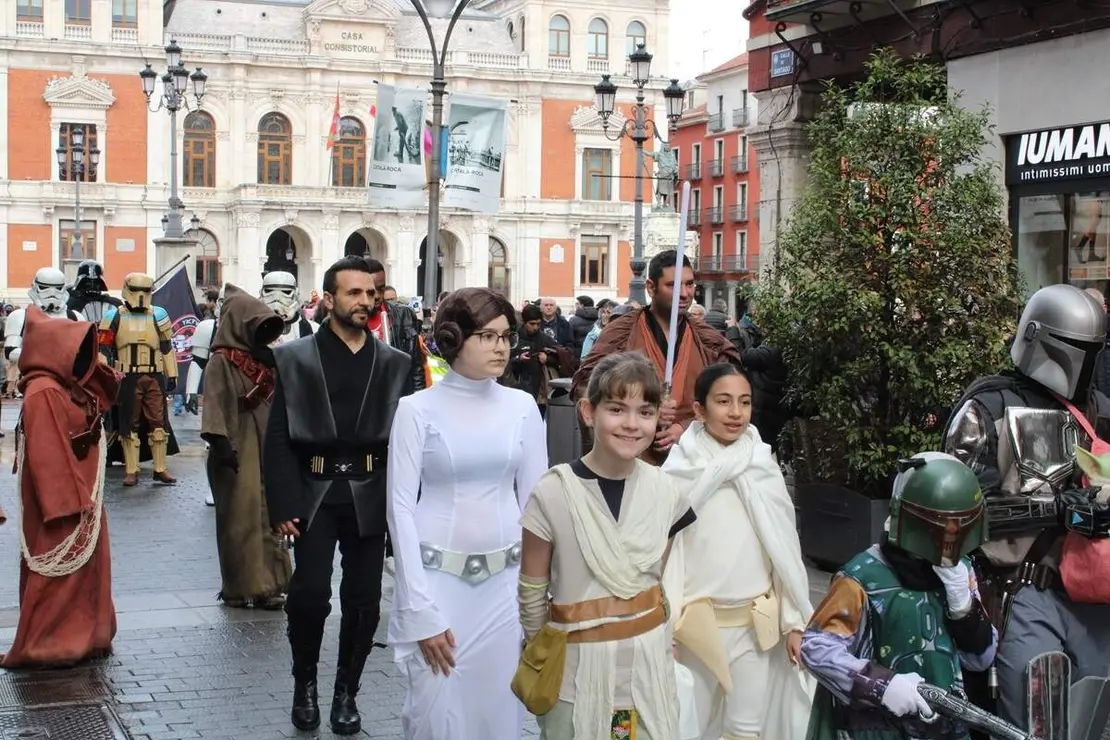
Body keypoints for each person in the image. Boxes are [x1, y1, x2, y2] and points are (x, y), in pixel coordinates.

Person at [943, 283, 1110, 727]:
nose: (1084, 361)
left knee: (1094, 720)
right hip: (1020, 592)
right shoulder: (987, 408)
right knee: (1036, 721)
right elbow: (958, 516)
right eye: (1075, 348)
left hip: (1093, 593)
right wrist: (1056, 510)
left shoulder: (1097, 411)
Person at [386, 287, 548, 740]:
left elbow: (538, 505)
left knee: (500, 713)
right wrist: (419, 609)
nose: (501, 347)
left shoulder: (521, 408)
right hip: (438, 586)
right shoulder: (416, 410)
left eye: (506, 336)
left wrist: (540, 599)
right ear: (455, 339)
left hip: (505, 590)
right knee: (434, 715)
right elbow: (399, 509)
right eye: (488, 336)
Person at [263, 256, 411, 735]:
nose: (365, 302)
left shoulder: (394, 363)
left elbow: (403, 444)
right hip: (313, 493)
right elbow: (279, 436)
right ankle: (304, 684)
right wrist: (283, 504)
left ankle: (347, 691)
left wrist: (401, 509)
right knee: (309, 595)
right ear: (329, 299)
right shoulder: (294, 357)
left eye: (371, 294)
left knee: (365, 599)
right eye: (353, 293)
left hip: (371, 494)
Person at [518, 351, 696, 739]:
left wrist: (665, 641)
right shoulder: (552, 492)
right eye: (616, 409)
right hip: (574, 677)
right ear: (588, 412)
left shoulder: (667, 492)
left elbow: (656, 582)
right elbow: (532, 595)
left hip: (648, 674)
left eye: (645, 412)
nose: (631, 424)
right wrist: (544, 660)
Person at [662, 364, 815, 740]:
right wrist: (665, 627)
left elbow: (784, 550)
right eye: (723, 402)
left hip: (755, 625)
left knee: (747, 729)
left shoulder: (762, 465)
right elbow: (666, 553)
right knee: (689, 725)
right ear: (699, 410)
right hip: (693, 627)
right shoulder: (679, 470)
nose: (735, 413)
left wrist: (794, 622)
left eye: (744, 402)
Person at [801, 452, 997, 740]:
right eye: (943, 525)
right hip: (876, 728)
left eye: (960, 525)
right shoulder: (862, 576)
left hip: (944, 727)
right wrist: (881, 685)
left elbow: (982, 659)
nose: (951, 538)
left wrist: (965, 610)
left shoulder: (961, 572)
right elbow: (816, 648)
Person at [2, 307, 120, 668]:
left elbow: (99, 399)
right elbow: (46, 453)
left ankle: (89, 634)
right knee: (58, 567)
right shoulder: (44, 391)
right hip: (65, 501)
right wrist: (69, 502)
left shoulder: (64, 386)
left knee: (85, 566)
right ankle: (50, 643)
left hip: (82, 492)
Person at [573, 250, 742, 465]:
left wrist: (687, 427)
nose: (684, 293)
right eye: (672, 285)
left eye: (689, 284)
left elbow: (730, 398)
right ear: (651, 287)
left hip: (694, 463)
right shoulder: (621, 333)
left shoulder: (709, 341)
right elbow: (586, 389)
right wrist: (646, 412)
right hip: (631, 459)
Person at [201, 285, 291, 609]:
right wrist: (221, 444)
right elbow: (214, 404)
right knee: (240, 521)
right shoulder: (220, 362)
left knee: (269, 516)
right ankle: (241, 587)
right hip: (236, 450)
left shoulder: (267, 360)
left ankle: (273, 584)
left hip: (269, 449)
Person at [99, 273, 178, 486]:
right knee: (128, 424)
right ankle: (131, 470)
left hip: (153, 375)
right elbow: (103, 350)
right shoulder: (113, 316)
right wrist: (106, 376)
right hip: (127, 376)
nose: (141, 296)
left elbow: (167, 347)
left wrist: (172, 373)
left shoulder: (158, 315)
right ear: (127, 289)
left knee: (158, 423)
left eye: (146, 290)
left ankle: (160, 468)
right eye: (136, 290)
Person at [363, 257, 425, 393]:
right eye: (372, 290)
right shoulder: (351, 320)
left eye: (381, 289)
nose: (378, 295)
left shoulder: (403, 315)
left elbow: (416, 368)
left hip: (400, 398)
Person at [5, 267, 82, 363]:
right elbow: (10, 351)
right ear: (34, 287)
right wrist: (50, 357)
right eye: (44, 288)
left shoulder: (76, 317)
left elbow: (86, 351)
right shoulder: (20, 316)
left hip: (68, 375)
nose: (52, 293)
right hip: (34, 374)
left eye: (58, 288)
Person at [511, 303, 574, 416]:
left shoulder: (544, 338)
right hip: (517, 389)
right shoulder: (514, 338)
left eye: (538, 324)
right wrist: (518, 359)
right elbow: (504, 363)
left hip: (540, 392)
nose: (535, 327)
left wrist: (547, 359)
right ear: (524, 322)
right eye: (532, 324)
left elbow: (565, 357)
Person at [260, 271, 318, 345]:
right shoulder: (251, 329)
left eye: (285, 292)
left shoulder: (313, 329)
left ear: (296, 294)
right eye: (269, 291)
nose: (277, 298)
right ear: (261, 293)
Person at [66, 260, 121, 324]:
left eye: (96, 283)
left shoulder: (114, 304)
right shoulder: (71, 304)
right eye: (87, 283)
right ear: (81, 283)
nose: (92, 285)